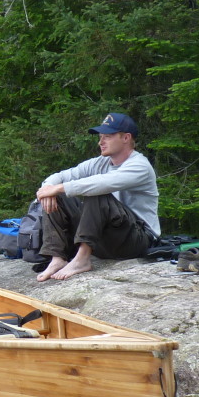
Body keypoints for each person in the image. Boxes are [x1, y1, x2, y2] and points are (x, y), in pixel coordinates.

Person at [33, 112, 160, 282]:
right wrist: (47, 189)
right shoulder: (100, 162)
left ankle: (82, 259)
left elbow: (104, 183)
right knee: (60, 196)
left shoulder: (140, 166)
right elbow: (62, 176)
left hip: (136, 240)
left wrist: (58, 188)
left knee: (96, 192)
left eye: (107, 136)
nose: (101, 142)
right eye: (100, 137)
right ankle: (57, 258)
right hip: (105, 238)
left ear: (126, 138)